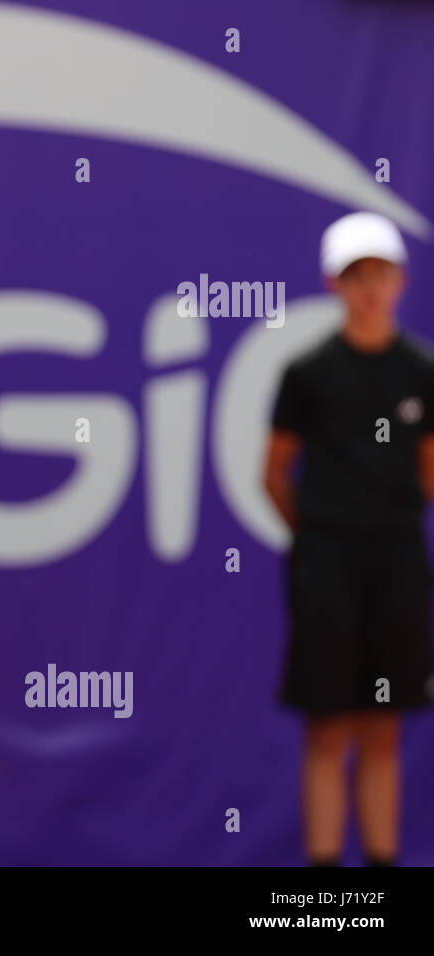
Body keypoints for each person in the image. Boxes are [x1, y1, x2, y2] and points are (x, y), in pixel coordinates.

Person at [264, 211, 434, 867]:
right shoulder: (308, 374)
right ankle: (327, 892)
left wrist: (385, 525)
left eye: (380, 274)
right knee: (330, 728)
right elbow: (274, 473)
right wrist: (321, 538)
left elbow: (427, 474)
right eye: (356, 275)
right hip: (328, 565)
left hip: (396, 564)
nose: (369, 288)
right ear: (333, 283)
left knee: (383, 728)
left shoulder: (420, 373)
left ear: (401, 281)